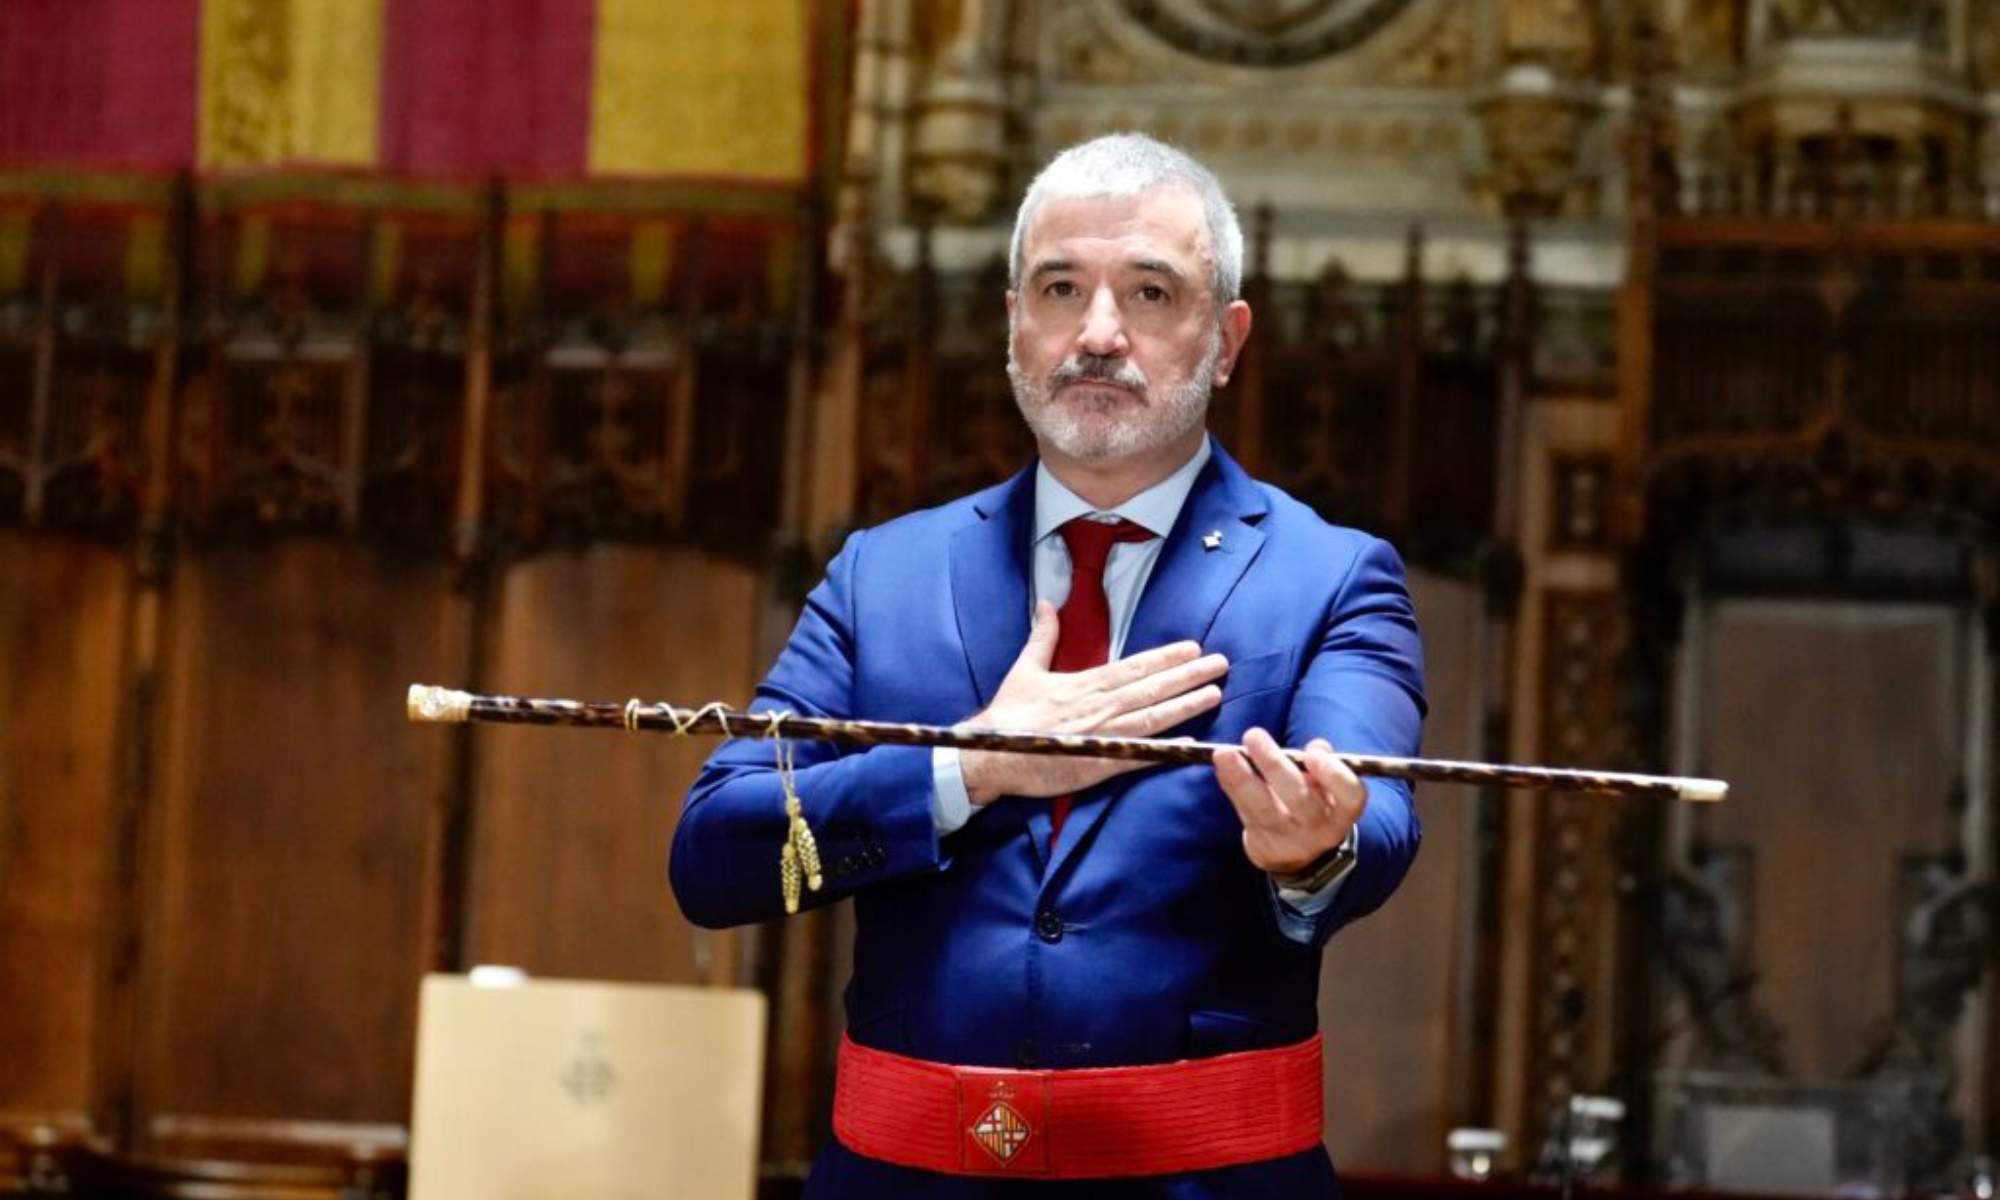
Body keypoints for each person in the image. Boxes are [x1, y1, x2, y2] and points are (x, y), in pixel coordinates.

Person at [671, 133, 1425, 1197]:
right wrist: (969, 769)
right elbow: (711, 855)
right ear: (1012, 323)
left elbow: (1376, 813)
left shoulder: (1332, 577)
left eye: (1150, 293)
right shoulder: (880, 574)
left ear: (1224, 339)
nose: (1098, 333)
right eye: (1060, 288)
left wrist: (1310, 849)